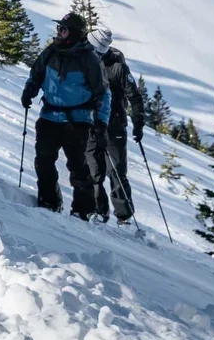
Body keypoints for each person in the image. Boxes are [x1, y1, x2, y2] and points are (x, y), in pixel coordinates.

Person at [21, 12, 110, 219]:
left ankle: (83, 210)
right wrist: (29, 91)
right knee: (43, 161)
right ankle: (50, 202)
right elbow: (36, 75)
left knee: (78, 167)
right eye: (59, 28)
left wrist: (101, 123)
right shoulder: (50, 52)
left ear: (75, 33)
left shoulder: (90, 59)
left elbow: (103, 93)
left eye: (63, 28)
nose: (59, 32)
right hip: (49, 116)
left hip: (77, 120)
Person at [88, 25, 144, 224]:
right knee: (93, 170)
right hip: (91, 124)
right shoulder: (84, 59)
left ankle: (124, 216)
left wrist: (138, 122)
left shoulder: (118, 67)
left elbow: (135, 96)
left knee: (117, 171)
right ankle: (98, 212)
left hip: (115, 125)